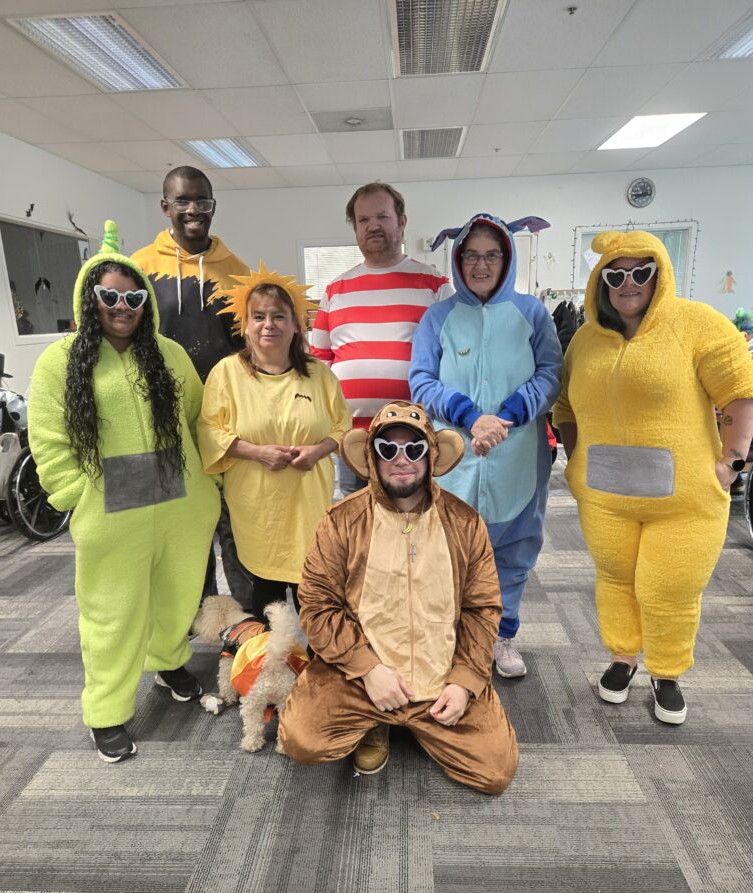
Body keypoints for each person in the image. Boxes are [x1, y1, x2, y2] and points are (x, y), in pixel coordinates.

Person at [29, 222, 220, 763]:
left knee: (177, 594)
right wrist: (71, 494)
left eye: (132, 296)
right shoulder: (60, 362)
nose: (121, 305)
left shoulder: (170, 354)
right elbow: (46, 435)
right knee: (112, 612)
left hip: (181, 503)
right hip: (111, 511)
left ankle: (168, 660)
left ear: (146, 302)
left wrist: (213, 480)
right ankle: (107, 711)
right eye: (109, 296)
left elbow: (198, 420)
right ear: (91, 300)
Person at [554, 230, 753, 726]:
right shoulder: (584, 338)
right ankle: (623, 659)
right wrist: (575, 461)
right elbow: (565, 405)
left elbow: (739, 394)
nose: (628, 283)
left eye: (641, 272)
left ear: (659, 273)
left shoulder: (698, 325)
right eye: (616, 274)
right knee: (617, 580)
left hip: (683, 498)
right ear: (601, 281)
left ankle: (667, 673)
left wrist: (734, 463)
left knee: (669, 587)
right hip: (605, 496)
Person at [278, 401, 519, 794]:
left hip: (441, 678)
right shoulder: (341, 521)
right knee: (302, 740)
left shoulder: (465, 523)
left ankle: (409, 722)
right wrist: (368, 669)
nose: (401, 459)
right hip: (359, 679)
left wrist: (464, 681)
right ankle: (377, 718)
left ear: (431, 454)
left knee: (495, 771)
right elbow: (317, 606)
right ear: (373, 457)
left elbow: (482, 609)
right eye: (387, 449)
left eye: (414, 448)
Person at [410, 213, 562, 679]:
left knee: (512, 553)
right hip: (454, 459)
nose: (481, 264)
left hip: (517, 456)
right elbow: (420, 382)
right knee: (449, 553)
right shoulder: (438, 317)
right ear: (458, 260)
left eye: (491, 255)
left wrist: (509, 415)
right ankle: (455, 635)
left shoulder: (532, 313)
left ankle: (502, 636)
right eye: (471, 255)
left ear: (507, 258)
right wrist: (473, 418)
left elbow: (551, 374)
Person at [197, 264, 351, 622]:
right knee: (265, 600)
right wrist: (257, 452)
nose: (269, 325)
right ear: (245, 325)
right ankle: (268, 670)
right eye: (259, 316)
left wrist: (318, 450)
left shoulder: (319, 376)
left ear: (296, 324)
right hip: (258, 509)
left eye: (279, 316)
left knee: (315, 599)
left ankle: (321, 668)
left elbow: (342, 426)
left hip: (308, 506)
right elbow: (209, 430)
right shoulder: (227, 374)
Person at [131, 166, 252, 608]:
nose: (193, 211)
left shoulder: (237, 272)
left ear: (213, 205)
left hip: (225, 419)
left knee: (233, 525)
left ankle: (245, 627)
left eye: (202, 201)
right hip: (162, 422)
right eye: (182, 201)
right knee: (183, 530)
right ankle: (192, 616)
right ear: (165, 206)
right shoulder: (140, 268)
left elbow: (249, 349)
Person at [310, 182, 452, 495]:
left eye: (382, 217)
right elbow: (319, 363)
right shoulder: (335, 290)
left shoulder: (435, 285)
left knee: (414, 524)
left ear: (402, 222)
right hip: (352, 439)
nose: (373, 225)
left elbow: (453, 361)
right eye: (363, 220)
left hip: (413, 439)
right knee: (358, 525)